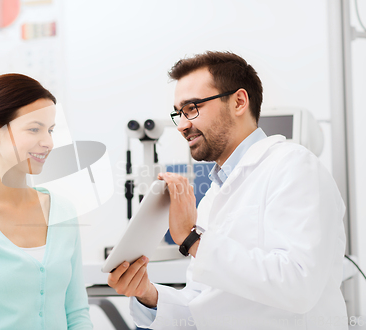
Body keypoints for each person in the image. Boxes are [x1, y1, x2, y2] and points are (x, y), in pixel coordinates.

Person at [107, 51, 348, 329]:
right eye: (179, 113)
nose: (183, 125)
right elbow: (202, 305)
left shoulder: (294, 166)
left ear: (239, 101)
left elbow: (299, 285)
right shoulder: (213, 195)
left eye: (192, 108)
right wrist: (147, 294)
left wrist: (192, 240)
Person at [0, 73, 93, 330]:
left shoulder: (63, 211)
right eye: (34, 129)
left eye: (50, 130)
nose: (48, 142)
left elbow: (77, 314)